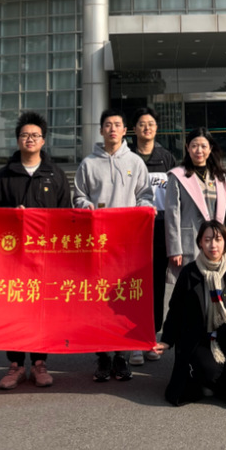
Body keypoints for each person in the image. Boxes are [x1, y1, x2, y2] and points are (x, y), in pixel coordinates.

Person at [0, 110, 71, 390]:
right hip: (12, 257)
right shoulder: (3, 175)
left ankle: (39, 362)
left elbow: (67, 215)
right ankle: (15, 364)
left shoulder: (55, 175)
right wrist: (12, 215)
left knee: (41, 309)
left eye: (35, 135)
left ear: (43, 141)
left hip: (45, 257)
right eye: (25, 135)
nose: (30, 139)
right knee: (14, 308)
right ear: (17, 140)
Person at [154, 220, 226, 409]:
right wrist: (167, 340)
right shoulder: (189, 273)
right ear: (200, 242)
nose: (213, 245)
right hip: (201, 336)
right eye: (207, 239)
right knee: (207, 369)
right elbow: (176, 309)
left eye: (218, 239)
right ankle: (211, 383)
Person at [74, 108, 153, 382]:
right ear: (101, 130)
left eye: (117, 124)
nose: (112, 129)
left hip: (127, 244)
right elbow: (79, 196)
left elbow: (145, 194)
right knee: (98, 300)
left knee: (123, 299)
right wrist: (88, 207)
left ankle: (121, 356)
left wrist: (141, 210)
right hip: (97, 243)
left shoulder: (135, 162)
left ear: (124, 130)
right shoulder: (88, 164)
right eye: (107, 125)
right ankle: (103, 356)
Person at [130, 106, 176, 361]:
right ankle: (133, 340)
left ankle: (150, 337)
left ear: (156, 128)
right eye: (141, 124)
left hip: (159, 231)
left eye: (150, 124)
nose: (146, 128)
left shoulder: (166, 158)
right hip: (131, 233)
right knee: (133, 287)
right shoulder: (127, 157)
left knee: (156, 287)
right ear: (134, 129)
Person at [165, 127, 226, 283]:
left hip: (215, 242)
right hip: (189, 241)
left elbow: (225, 214)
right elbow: (172, 214)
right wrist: (174, 249)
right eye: (194, 146)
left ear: (210, 148)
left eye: (203, 146)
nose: (199, 150)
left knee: (215, 283)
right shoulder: (177, 176)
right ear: (187, 148)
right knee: (191, 285)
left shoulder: (219, 177)